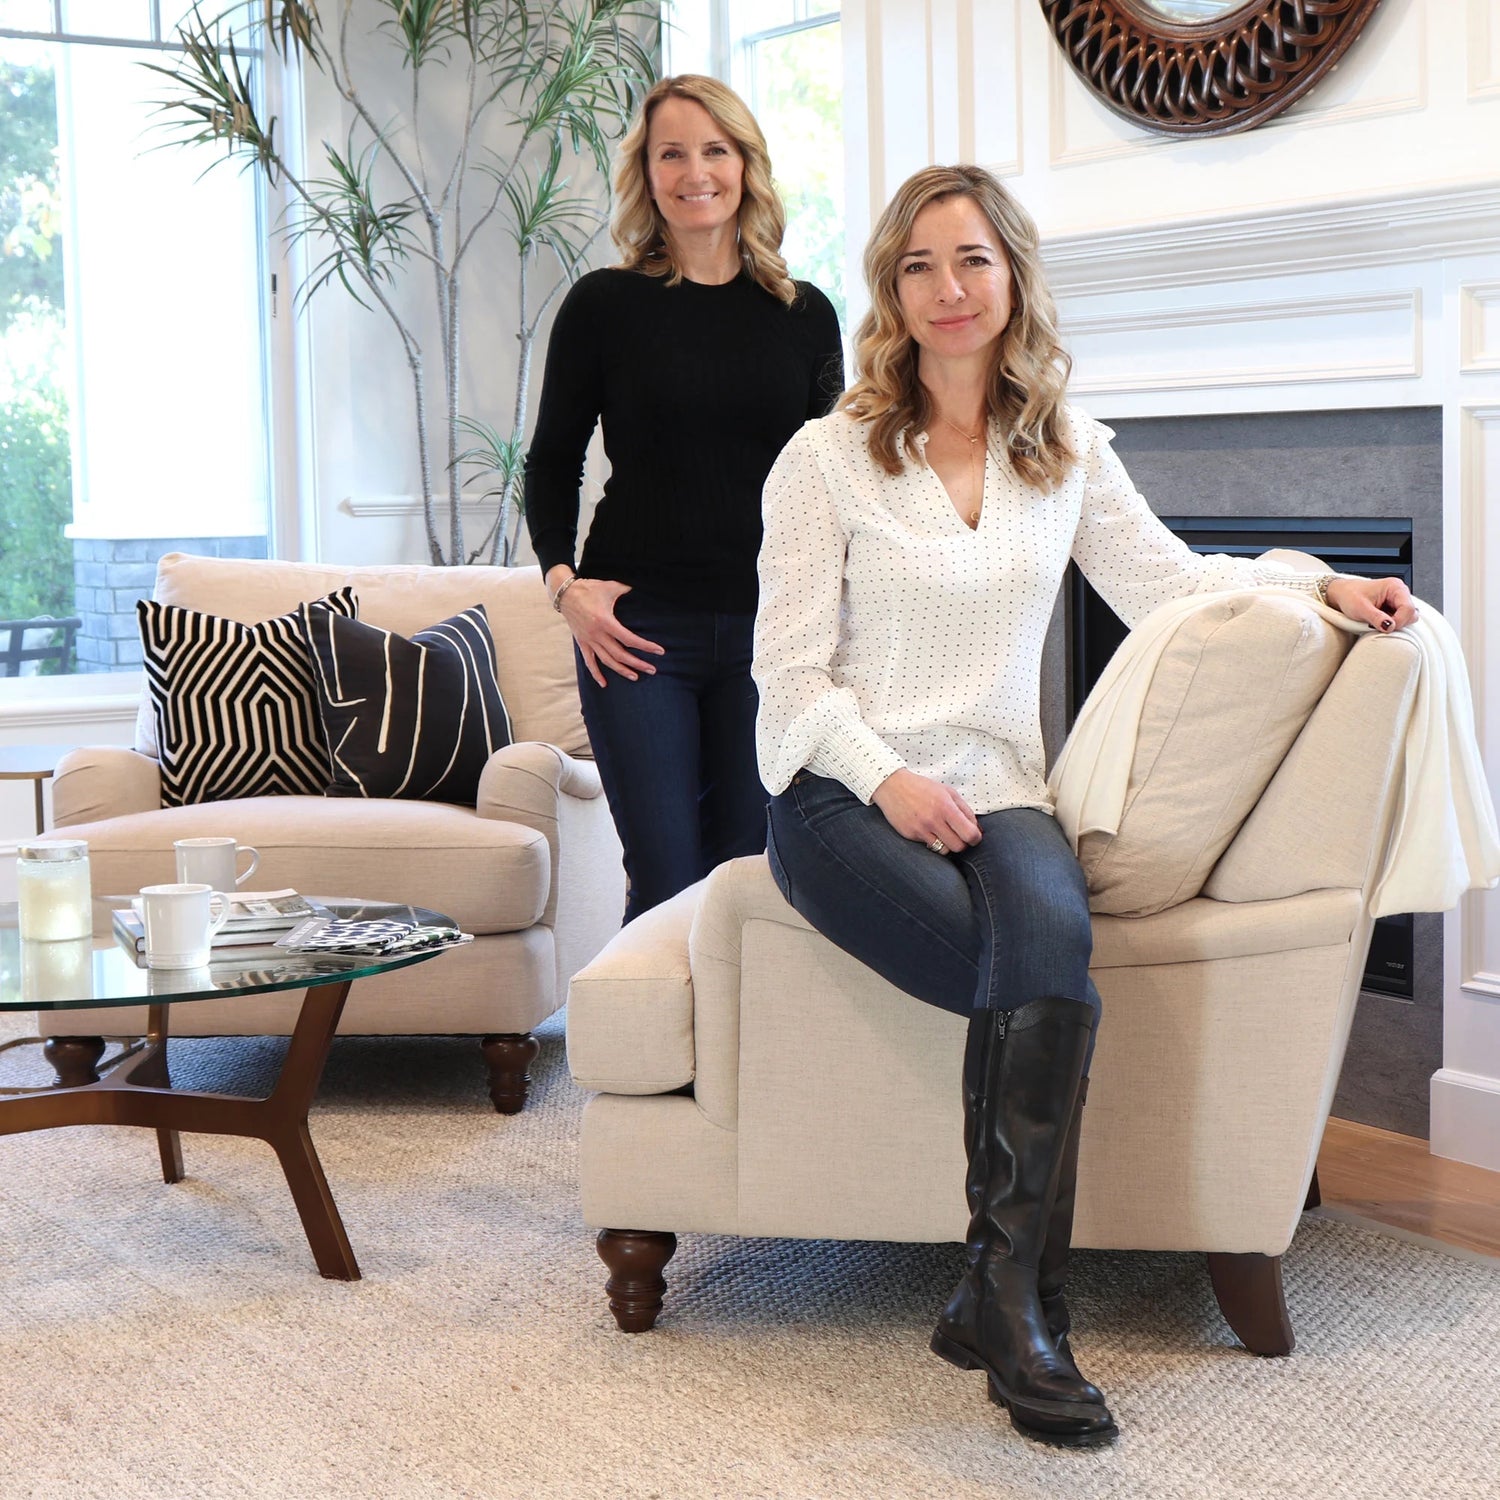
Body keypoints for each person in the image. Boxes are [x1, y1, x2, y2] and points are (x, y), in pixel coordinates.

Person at [752, 164, 1416, 1448]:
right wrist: (884, 776)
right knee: (1026, 973)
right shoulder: (822, 459)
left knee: (1050, 946)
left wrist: (1317, 581)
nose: (949, 290)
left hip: (1000, 782)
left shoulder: (1061, 451)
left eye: (973, 261)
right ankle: (1019, 1305)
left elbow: (1174, 583)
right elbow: (786, 683)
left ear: (1012, 278)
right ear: (892, 290)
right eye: (919, 267)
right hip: (839, 788)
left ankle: (998, 1297)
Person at [525, 75, 844, 924]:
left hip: (767, 636)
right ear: (648, 172)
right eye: (672, 152)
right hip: (637, 635)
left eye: (715, 150)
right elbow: (552, 460)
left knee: (748, 879)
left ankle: (733, 1063)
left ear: (745, 165)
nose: (694, 171)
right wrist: (566, 587)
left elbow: (835, 482)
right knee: (667, 878)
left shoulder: (806, 314)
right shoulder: (603, 306)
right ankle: (655, 1063)